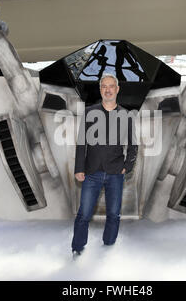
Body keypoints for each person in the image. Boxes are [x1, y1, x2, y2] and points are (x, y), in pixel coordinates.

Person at [71, 73, 138, 257]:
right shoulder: (90, 112)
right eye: (104, 86)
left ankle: (108, 246)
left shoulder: (126, 115)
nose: (107, 90)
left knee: (114, 214)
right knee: (83, 214)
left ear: (117, 89)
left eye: (111, 86)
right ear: (100, 89)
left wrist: (128, 166)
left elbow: (133, 145)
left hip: (116, 172)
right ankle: (77, 249)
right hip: (91, 172)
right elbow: (81, 143)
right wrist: (79, 168)